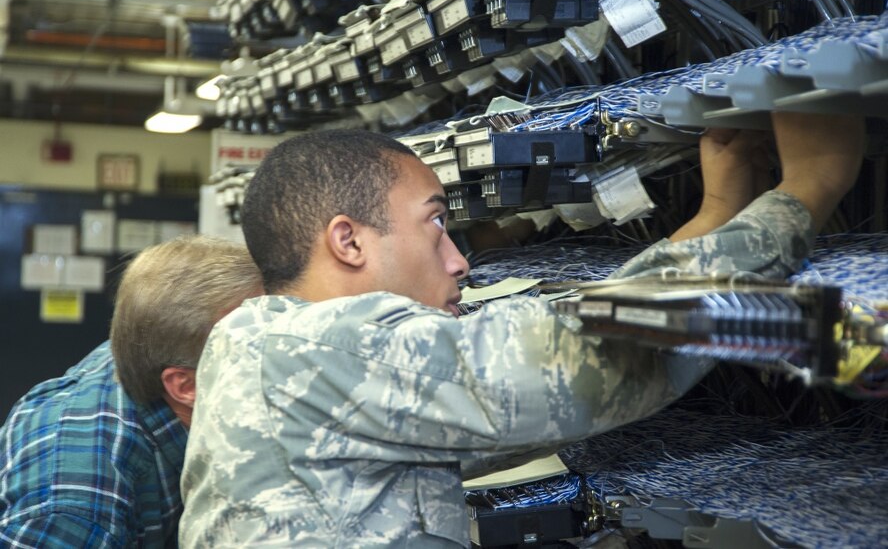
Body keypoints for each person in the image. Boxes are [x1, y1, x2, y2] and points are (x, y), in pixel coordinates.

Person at [179, 112, 864, 547]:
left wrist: (717, 211)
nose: (460, 259)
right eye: (437, 222)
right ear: (348, 242)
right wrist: (807, 189)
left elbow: (538, 390)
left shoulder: (266, 345)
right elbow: (584, 358)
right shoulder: (322, 348)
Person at [0, 236, 262, 547]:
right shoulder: (79, 502)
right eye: (260, 348)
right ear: (186, 386)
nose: (287, 359)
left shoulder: (153, 344)